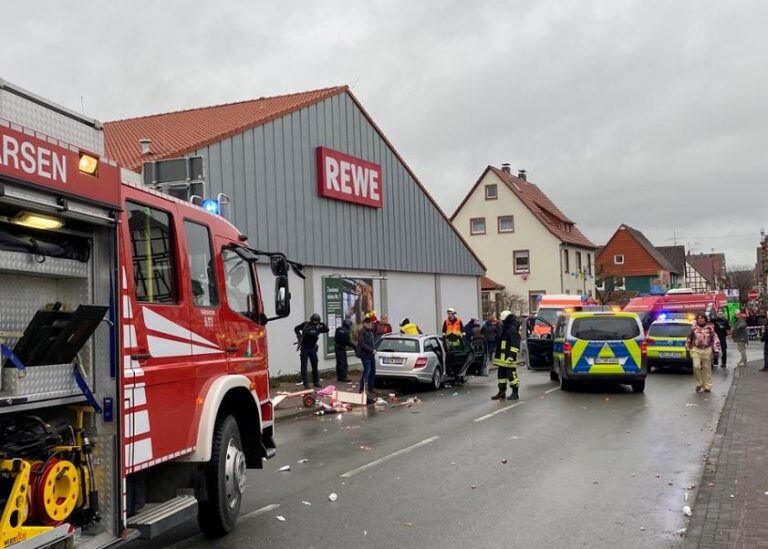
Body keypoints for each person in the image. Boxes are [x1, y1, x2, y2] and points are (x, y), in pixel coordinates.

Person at [686, 313, 720, 393]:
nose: (700, 320)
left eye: (702, 318)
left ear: (705, 319)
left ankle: (707, 386)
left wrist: (716, 350)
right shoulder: (694, 328)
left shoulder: (710, 328)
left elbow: (715, 338)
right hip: (696, 349)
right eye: (699, 318)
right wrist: (687, 349)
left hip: (707, 349)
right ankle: (699, 383)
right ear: (697, 320)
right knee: (696, 366)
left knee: (706, 368)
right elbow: (689, 339)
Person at [492, 310, 521, 401]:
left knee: (511, 375)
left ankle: (515, 393)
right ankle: (501, 392)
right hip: (502, 358)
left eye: (502, 319)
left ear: (505, 319)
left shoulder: (512, 329)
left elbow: (515, 344)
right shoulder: (505, 328)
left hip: (508, 357)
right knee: (501, 375)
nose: (501, 321)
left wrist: (512, 356)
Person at [294, 313, 329, 389]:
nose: (316, 322)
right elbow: (296, 328)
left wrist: (321, 323)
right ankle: (306, 383)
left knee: (315, 365)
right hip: (305, 347)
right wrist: (299, 336)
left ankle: (316, 382)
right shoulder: (305, 324)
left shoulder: (319, 327)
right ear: (312, 320)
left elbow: (326, 329)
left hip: (312, 348)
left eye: (317, 321)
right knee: (304, 365)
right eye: (314, 321)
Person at [356, 314, 377, 400]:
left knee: (372, 371)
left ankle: (371, 389)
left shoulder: (370, 331)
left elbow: (371, 342)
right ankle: (362, 390)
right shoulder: (362, 331)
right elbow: (361, 343)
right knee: (367, 372)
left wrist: (374, 349)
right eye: (367, 323)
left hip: (371, 355)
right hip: (365, 355)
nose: (369, 324)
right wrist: (371, 350)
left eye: (370, 323)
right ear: (364, 323)